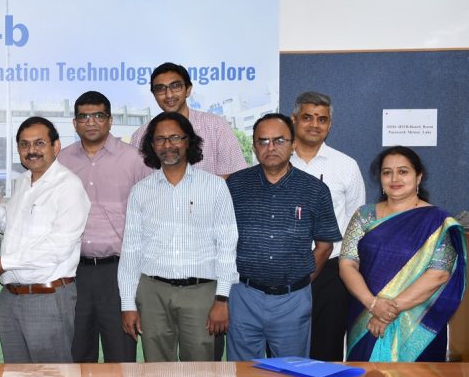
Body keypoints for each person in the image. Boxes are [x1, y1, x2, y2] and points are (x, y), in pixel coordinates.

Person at [0, 117, 90, 363]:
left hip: (47, 298)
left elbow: (57, 247)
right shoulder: (23, 181)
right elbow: (12, 227)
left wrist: (3, 263)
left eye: (39, 143)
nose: (31, 150)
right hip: (10, 298)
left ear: (56, 146)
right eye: (24, 144)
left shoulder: (68, 187)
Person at [117, 112, 238, 362]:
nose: (167, 145)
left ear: (188, 141)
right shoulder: (140, 191)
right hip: (152, 292)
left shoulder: (215, 186)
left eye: (175, 137)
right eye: (160, 139)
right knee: (157, 371)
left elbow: (227, 245)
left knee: (200, 371)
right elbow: (131, 250)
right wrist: (127, 304)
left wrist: (222, 299)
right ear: (152, 145)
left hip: (201, 292)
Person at [225, 113, 341, 360]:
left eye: (279, 140)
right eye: (263, 141)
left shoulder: (315, 190)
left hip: (292, 299)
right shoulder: (235, 186)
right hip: (244, 295)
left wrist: (300, 281)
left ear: (293, 144)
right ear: (254, 146)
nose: (271, 147)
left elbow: (325, 246)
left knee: (291, 374)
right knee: (243, 374)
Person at [340, 147, 466, 362]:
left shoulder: (437, 221)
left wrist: (389, 311)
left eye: (403, 171)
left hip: (415, 318)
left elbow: (439, 273)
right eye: (387, 172)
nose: (394, 178)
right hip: (365, 314)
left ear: (418, 177)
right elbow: (347, 263)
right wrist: (373, 304)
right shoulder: (364, 215)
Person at [58, 91, 142, 362]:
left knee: (121, 356)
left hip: (119, 272)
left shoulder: (134, 159)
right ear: (74, 123)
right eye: (84, 117)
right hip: (73, 272)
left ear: (110, 120)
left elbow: (152, 211)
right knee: (77, 356)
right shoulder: (61, 161)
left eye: (98, 116)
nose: (91, 122)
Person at [289, 92, 365, 361]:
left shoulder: (346, 165)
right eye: (307, 117)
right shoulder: (275, 161)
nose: (314, 125)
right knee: (285, 348)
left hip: (332, 271)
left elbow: (356, 222)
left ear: (330, 124)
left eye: (322, 119)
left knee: (327, 347)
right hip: (285, 269)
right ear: (294, 119)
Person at [129, 62, 247, 181]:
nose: (169, 95)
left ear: (188, 90)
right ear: (154, 95)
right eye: (160, 89)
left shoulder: (216, 125)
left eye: (175, 86)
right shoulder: (140, 136)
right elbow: (134, 181)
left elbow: (235, 174)